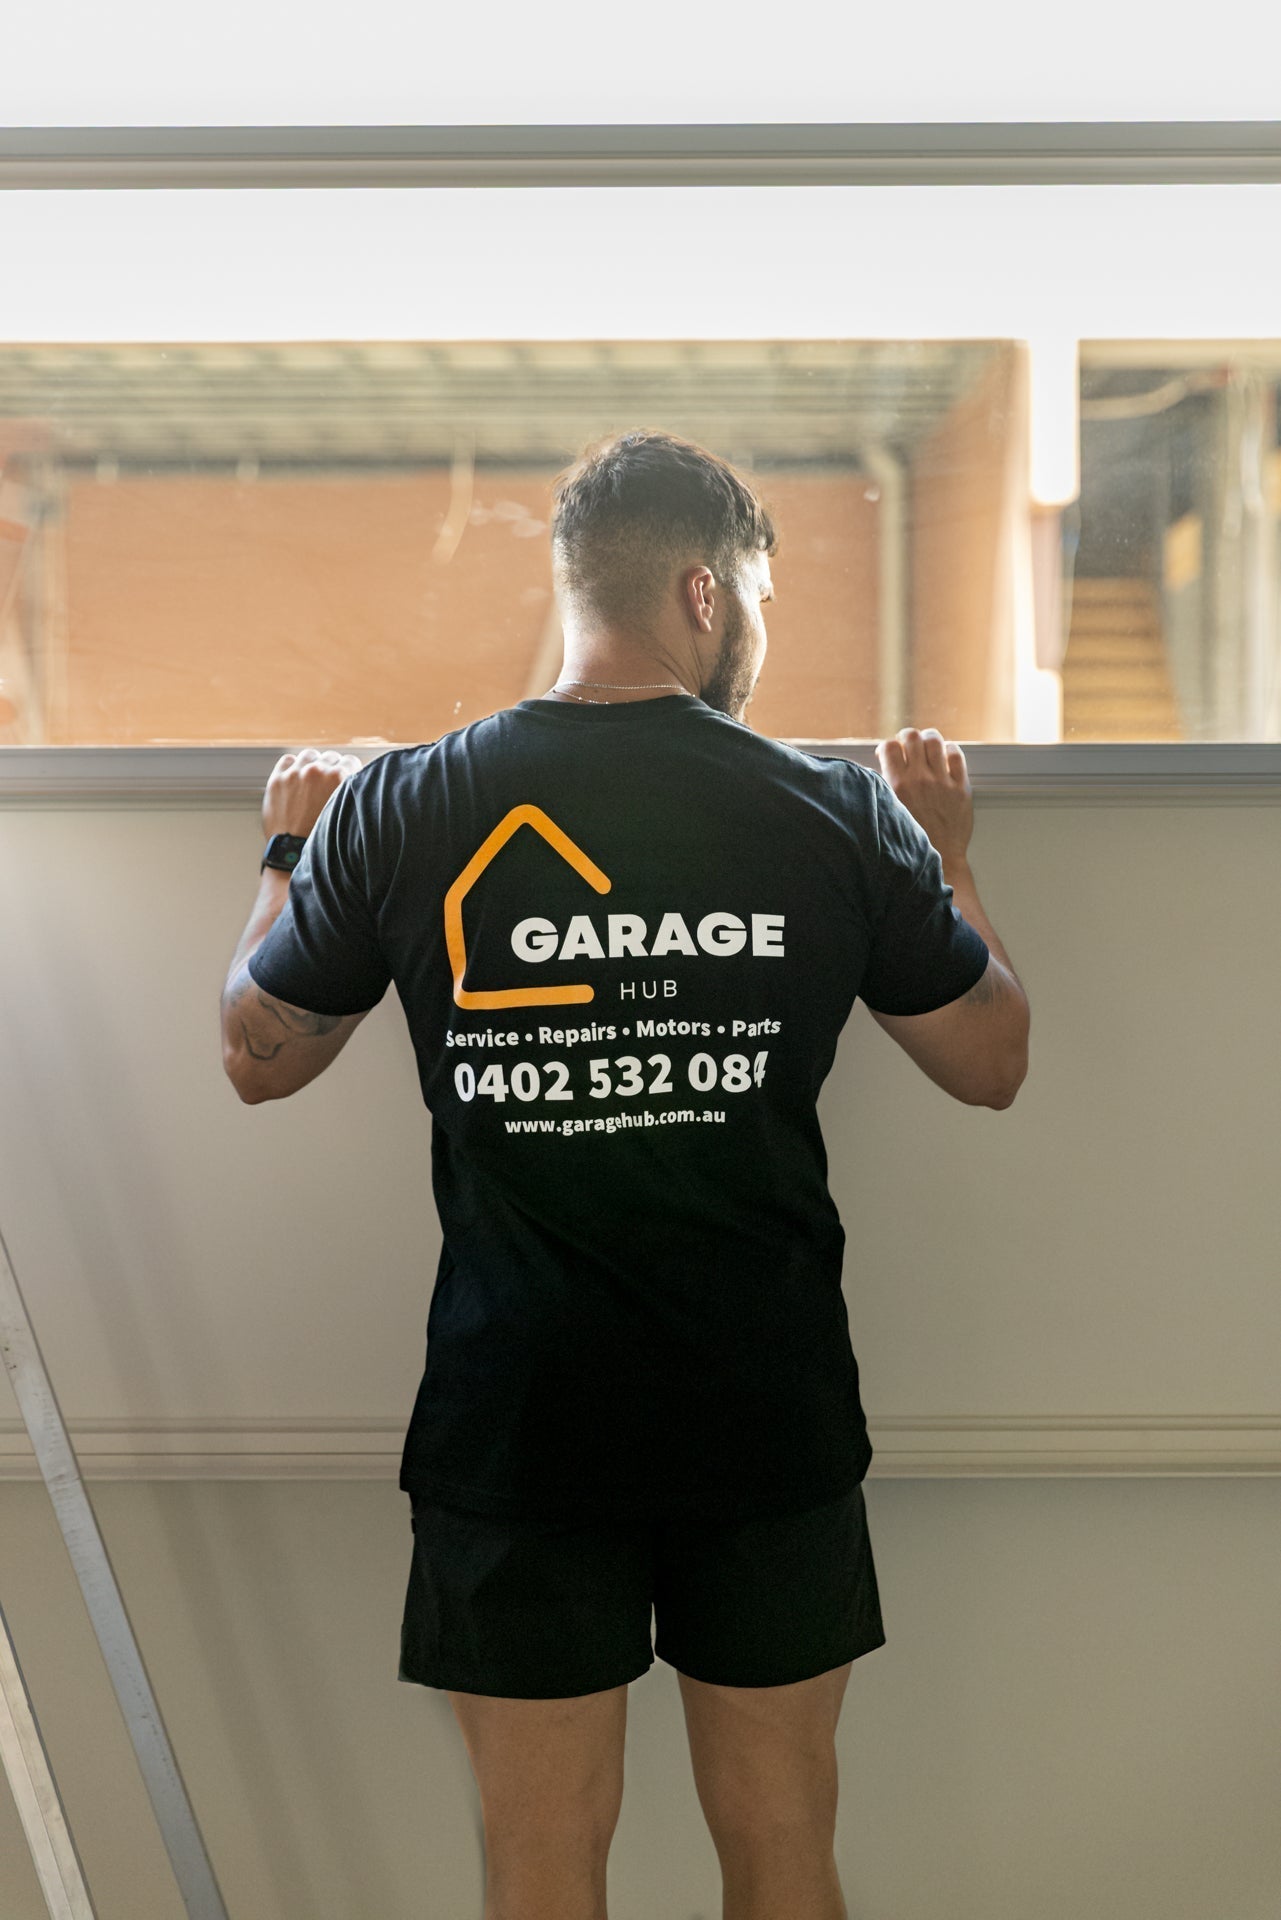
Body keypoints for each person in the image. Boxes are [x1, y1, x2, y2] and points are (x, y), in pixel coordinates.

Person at [220, 428, 1030, 1920]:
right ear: (705, 592)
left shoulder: (403, 805)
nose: (760, 631)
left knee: (539, 1861)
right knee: (782, 1840)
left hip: (520, 1413)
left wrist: (286, 856)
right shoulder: (834, 812)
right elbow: (989, 1058)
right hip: (762, 1407)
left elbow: (258, 1053)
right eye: (761, 600)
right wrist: (948, 855)